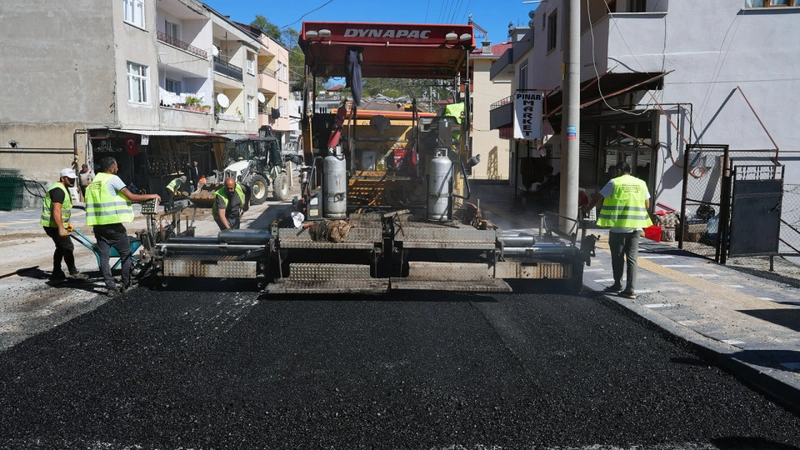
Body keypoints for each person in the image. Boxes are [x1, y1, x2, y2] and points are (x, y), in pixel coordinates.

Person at [85, 157, 160, 296]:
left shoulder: (93, 182)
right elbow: (131, 196)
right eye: (117, 166)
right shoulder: (113, 179)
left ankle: (110, 287)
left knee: (104, 258)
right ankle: (126, 283)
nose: (118, 169)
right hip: (114, 226)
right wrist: (152, 195)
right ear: (111, 168)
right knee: (126, 254)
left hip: (98, 226)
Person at [583, 161, 652, 300]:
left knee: (618, 257)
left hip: (618, 228)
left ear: (619, 170)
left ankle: (617, 284)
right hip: (636, 227)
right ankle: (630, 289)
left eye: (614, 171)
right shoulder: (641, 183)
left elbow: (598, 198)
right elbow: (647, 204)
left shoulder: (614, 183)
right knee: (632, 258)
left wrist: (587, 210)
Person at [41, 168, 88, 282]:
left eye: (73, 179)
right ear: (62, 178)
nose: (72, 181)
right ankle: (73, 272)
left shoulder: (63, 188)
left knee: (60, 247)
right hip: (53, 225)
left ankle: (56, 272)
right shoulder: (58, 190)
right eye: (70, 179)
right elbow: (56, 210)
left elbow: (63, 210)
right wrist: (61, 228)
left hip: (54, 225)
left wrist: (67, 224)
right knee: (68, 247)